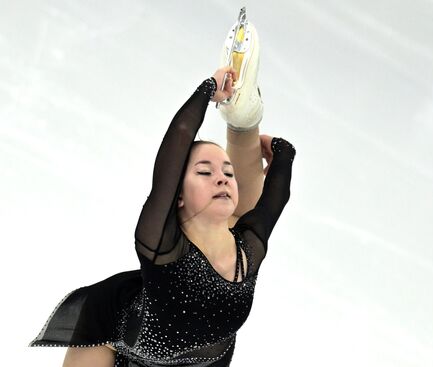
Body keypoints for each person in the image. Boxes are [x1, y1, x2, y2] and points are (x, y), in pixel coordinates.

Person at [30, 19, 296, 367]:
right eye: (204, 171)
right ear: (178, 195)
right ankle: (240, 120)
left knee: (238, 214)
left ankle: (242, 117)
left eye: (227, 172)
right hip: (119, 340)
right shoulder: (161, 246)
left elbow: (276, 196)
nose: (221, 177)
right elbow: (179, 140)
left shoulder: (248, 250)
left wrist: (281, 152)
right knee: (233, 215)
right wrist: (207, 90)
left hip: (200, 362)